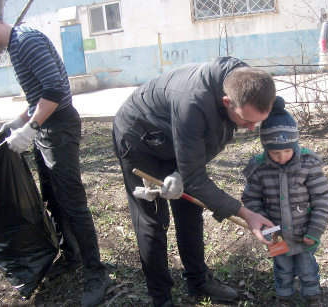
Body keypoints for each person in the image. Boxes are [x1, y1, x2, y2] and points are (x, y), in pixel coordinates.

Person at [0, 4, 110, 307]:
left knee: (72, 201)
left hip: (59, 126)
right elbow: (38, 95)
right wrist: (19, 121)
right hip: (45, 127)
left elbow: (56, 90)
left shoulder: (26, 41)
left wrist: (31, 127)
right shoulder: (15, 47)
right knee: (52, 196)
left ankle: (96, 273)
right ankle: (72, 255)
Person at [112, 56, 277, 306]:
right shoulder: (193, 102)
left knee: (190, 210)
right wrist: (246, 214)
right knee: (152, 220)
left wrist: (181, 174)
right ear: (226, 102)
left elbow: (205, 148)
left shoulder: (246, 83)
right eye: (247, 121)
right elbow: (196, 179)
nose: (252, 128)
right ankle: (161, 297)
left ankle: (198, 281)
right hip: (141, 138)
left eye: (258, 121)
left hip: (177, 136)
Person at [241, 96, 328, 307]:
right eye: (274, 153)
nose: (282, 157)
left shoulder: (308, 165)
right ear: (266, 149)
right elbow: (251, 198)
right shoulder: (259, 168)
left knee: (307, 267)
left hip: (304, 233)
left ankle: (312, 297)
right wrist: (266, 228)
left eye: (287, 151)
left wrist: (315, 230)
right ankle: (285, 297)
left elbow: (322, 197)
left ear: (295, 144)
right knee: (282, 268)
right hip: (277, 236)